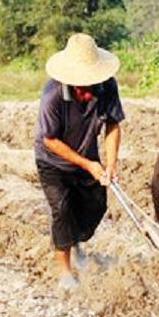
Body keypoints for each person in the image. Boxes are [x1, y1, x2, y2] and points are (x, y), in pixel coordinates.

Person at [34, 33, 124, 290]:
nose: (87, 93)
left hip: (88, 154)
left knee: (96, 206)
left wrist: (111, 163)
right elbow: (50, 140)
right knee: (61, 210)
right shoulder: (52, 95)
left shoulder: (107, 87)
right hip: (53, 161)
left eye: (91, 86)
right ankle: (65, 271)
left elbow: (113, 124)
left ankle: (75, 241)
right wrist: (89, 165)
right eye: (82, 88)